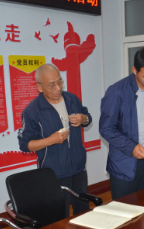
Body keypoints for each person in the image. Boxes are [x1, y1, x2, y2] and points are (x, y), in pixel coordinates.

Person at [18, 63, 92, 215]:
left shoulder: (72, 99)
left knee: (83, 212)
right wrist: (51, 140)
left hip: (79, 169)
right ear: (39, 87)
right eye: (52, 85)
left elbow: (87, 117)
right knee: (59, 217)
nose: (58, 88)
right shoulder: (32, 111)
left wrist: (83, 118)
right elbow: (25, 145)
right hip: (54, 174)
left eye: (60, 82)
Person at [99, 47, 144, 200]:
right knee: (124, 208)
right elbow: (106, 128)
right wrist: (131, 147)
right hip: (124, 162)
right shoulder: (116, 91)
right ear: (134, 70)